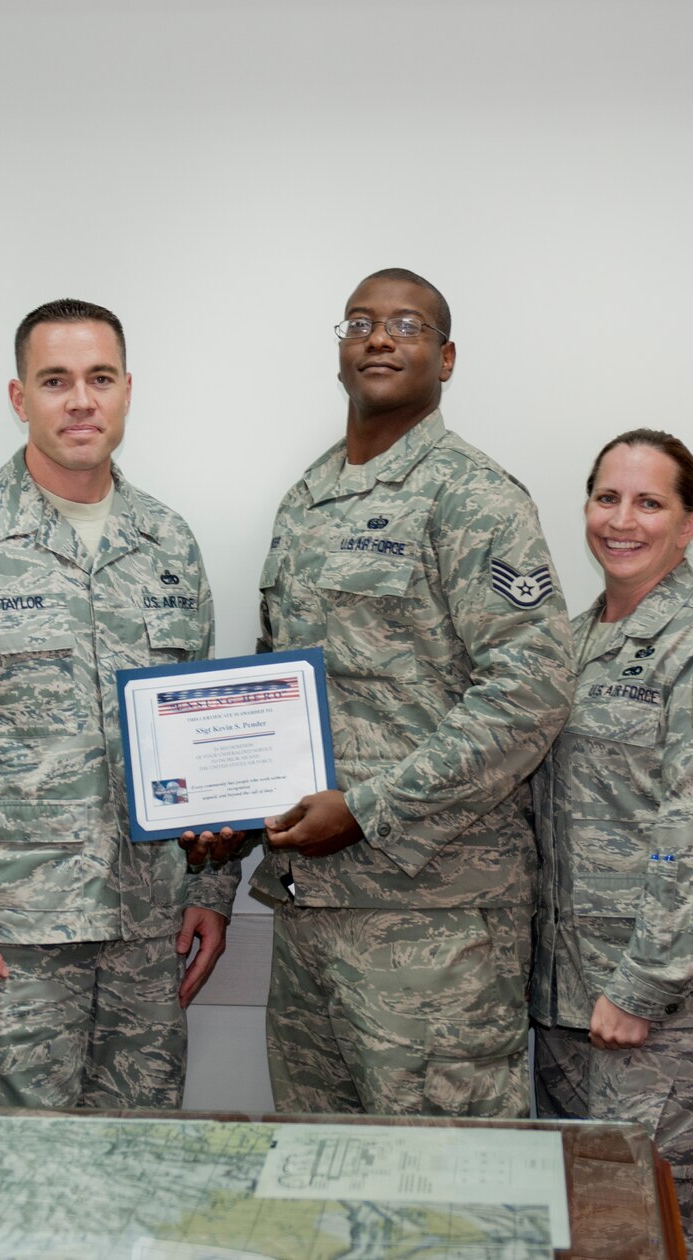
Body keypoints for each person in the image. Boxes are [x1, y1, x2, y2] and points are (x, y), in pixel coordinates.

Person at [0, 298, 236, 1108]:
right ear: (19, 396)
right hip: (7, 945)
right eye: (56, 380)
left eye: (99, 378)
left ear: (127, 391)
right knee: (0, 1176)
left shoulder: (169, 544)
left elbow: (207, 737)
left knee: (137, 1169)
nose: (80, 401)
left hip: (146, 935)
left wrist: (210, 890)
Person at [219, 268, 573, 1117]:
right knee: (322, 1170)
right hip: (311, 911)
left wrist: (370, 809)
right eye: (360, 323)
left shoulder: (474, 496)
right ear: (340, 352)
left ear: (446, 359)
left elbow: (530, 692)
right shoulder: (307, 500)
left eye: (407, 325)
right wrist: (232, 801)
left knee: (446, 1182)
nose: (379, 338)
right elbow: (279, 687)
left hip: (435, 929)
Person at [529, 430, 693, 1260]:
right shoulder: (569, 644)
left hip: (673, 1013)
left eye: (649, 502)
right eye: (607, 498)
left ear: (689, 524)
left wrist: (644, 986)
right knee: (595, 1239)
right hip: (572, 1005)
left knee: (634, 1239)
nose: (622, 520)